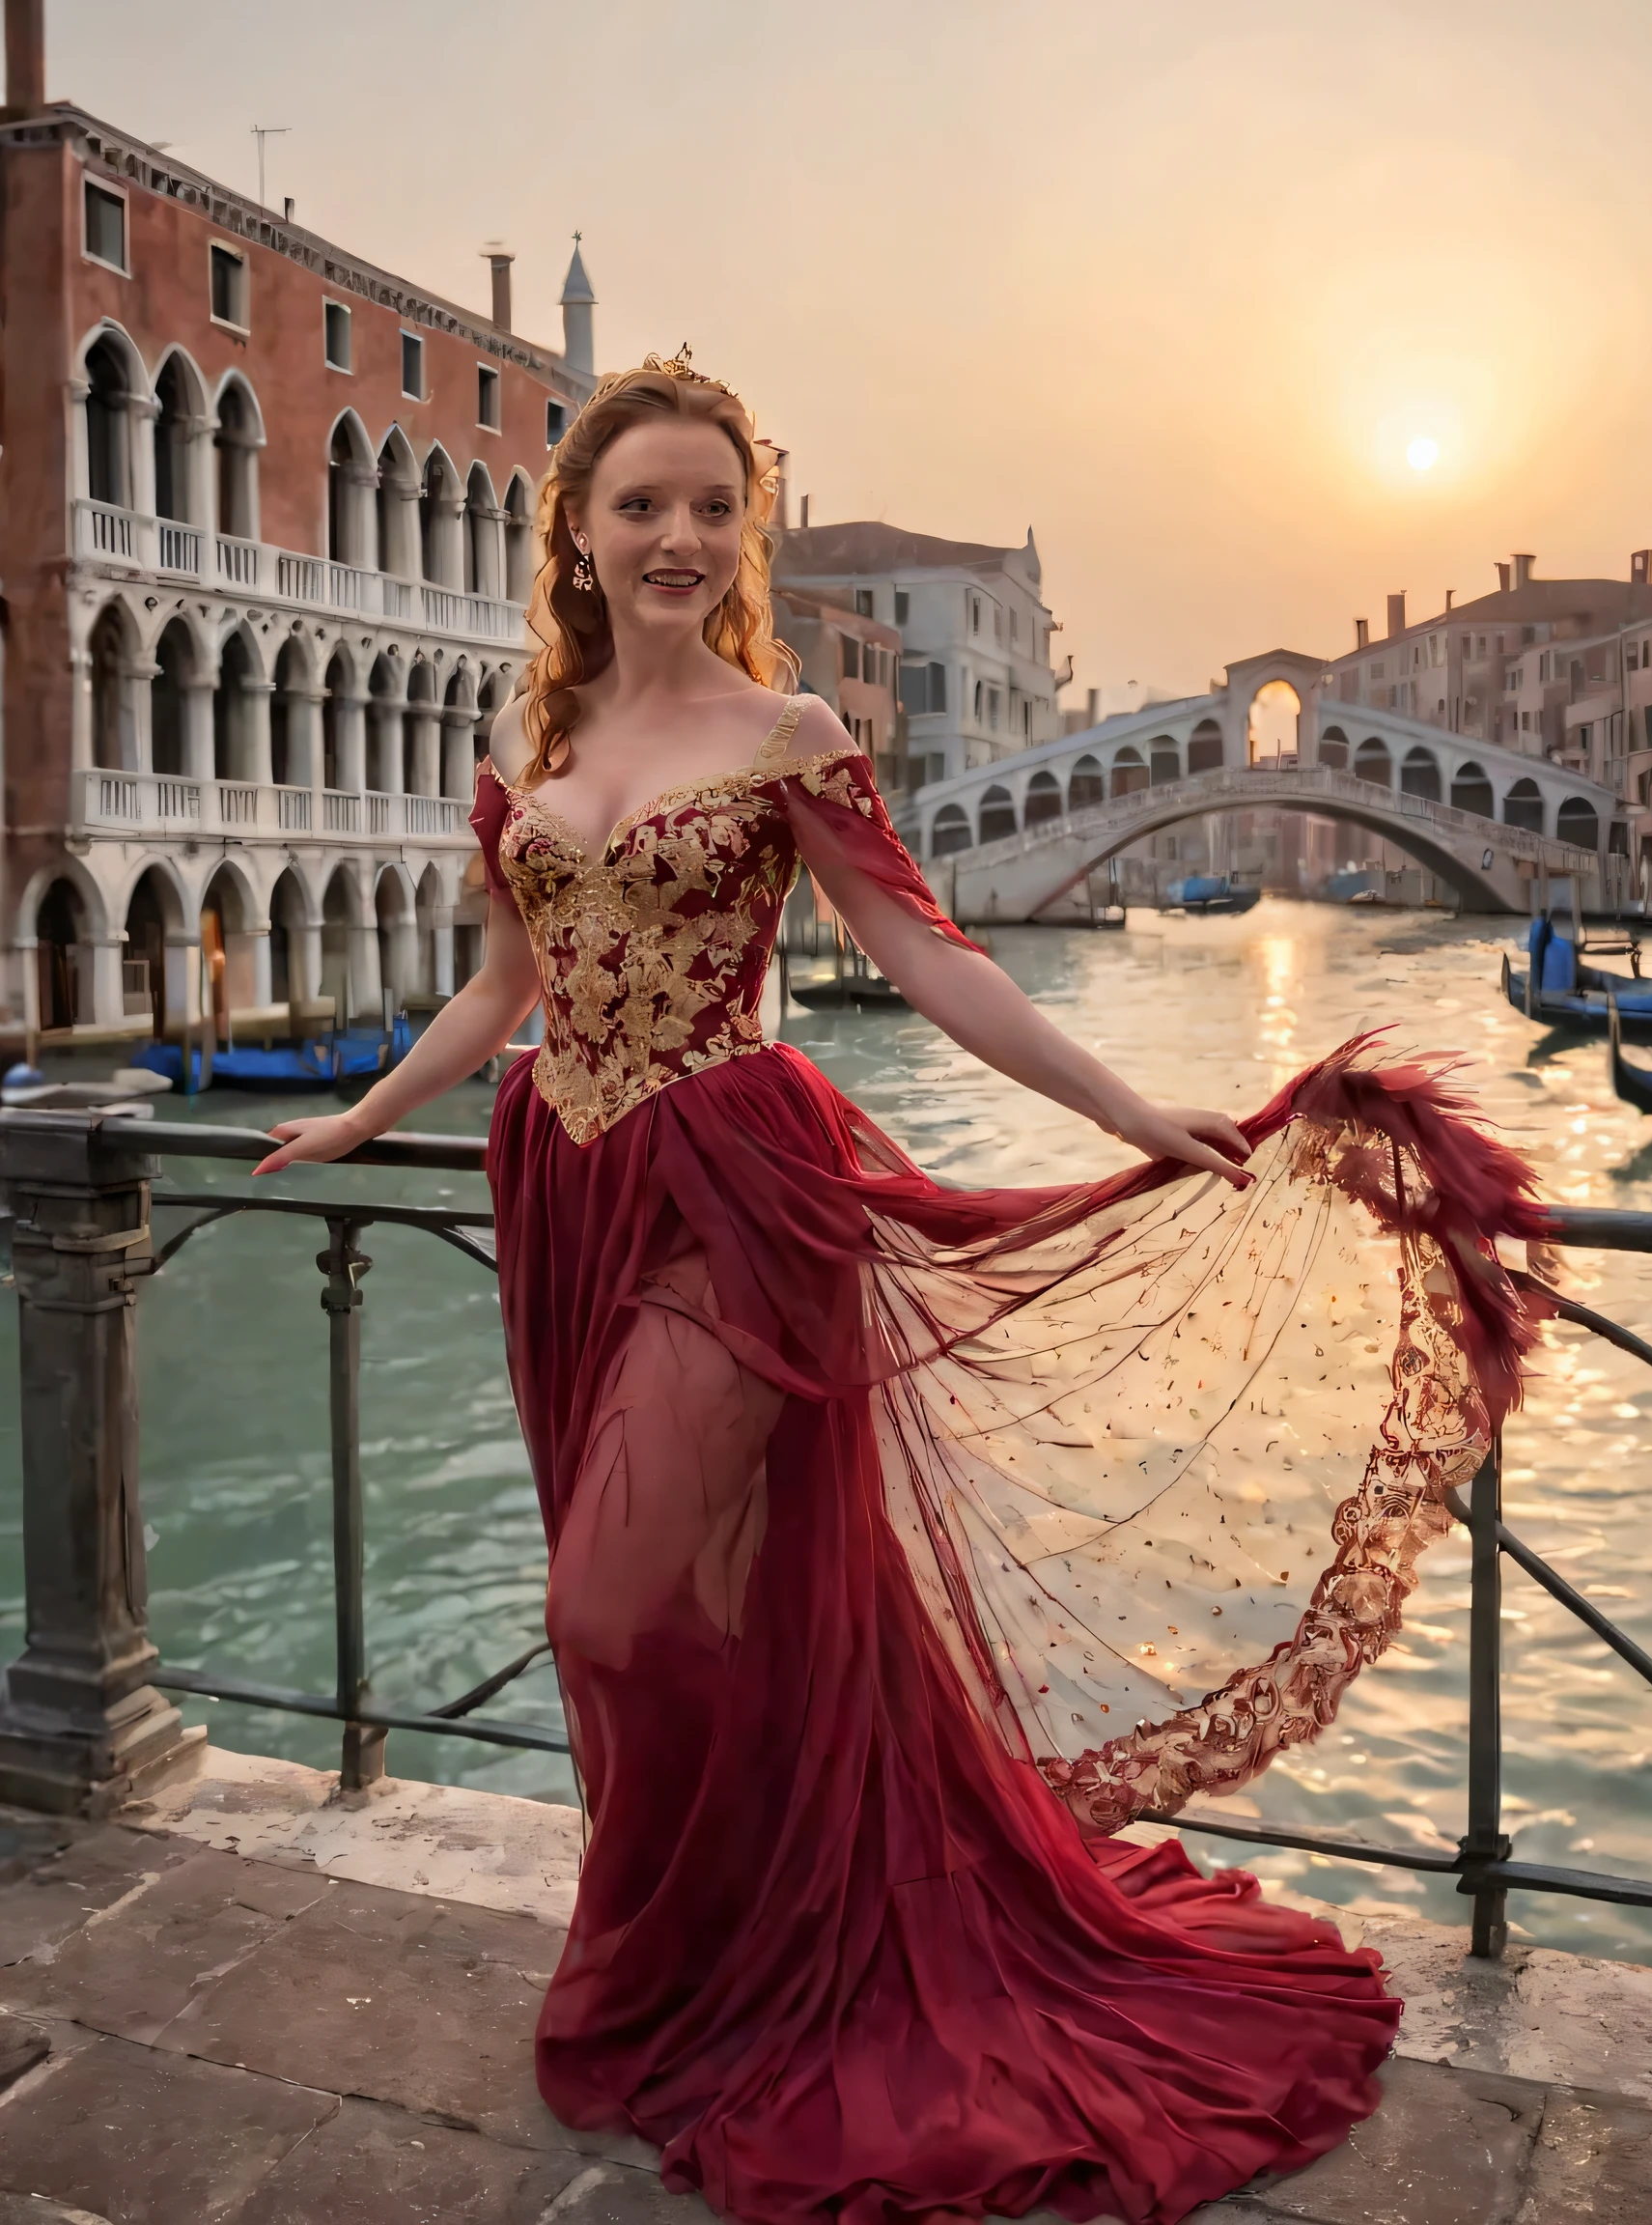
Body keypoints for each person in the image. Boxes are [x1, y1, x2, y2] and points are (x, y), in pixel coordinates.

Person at [255, 355, 1548, 2225]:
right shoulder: (530, 762)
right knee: (671, 1602)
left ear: (742, 533)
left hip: (728, 1183)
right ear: (580, 535)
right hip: (564, 1190)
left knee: (610, 1607)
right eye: (643, 506)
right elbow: (503, 989)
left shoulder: (786, 736)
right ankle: (744, 1911)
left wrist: (1119, 1099)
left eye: (713, 507)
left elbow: (931, 961)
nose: (679, 536)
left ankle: (792, 1918)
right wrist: (363, 1113)